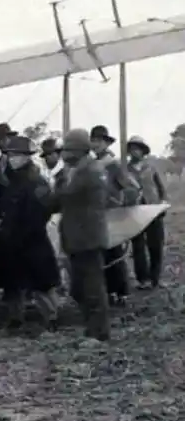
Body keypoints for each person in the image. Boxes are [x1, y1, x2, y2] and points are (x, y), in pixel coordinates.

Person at [0, 135, 60, 335]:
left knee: (41, 283)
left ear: (26, 156)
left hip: (31, 240)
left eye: (16, 155)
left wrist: (26, 232)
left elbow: (44, 210)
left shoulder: (36, 181)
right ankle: (15, 320)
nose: (12, 159)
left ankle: (51, 319)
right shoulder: (11, 180)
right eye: (10, 155)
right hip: (11, 240)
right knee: (12, 285)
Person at [54, 129, 110, 341]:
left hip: (88, 238)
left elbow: (66, 196)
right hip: (77, 238)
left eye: (68, 150)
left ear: (79, 150)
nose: (63, 154)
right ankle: (91, 328)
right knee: (79, 289)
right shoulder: (77, 170)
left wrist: (59, 182)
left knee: (92, 289)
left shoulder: (91, 171)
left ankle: (99, 333)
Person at [90, 125, 140, 306]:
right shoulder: (92, 165)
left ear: (106, 143)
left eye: (99, 141)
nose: (96, 144)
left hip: (114, 215)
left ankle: (122, 292)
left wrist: (122, 202)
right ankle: (109, 291)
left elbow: (133, 188)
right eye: (93, 141)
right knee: (102, 254)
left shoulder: (114, 165)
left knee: (115, 254)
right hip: (98, 216)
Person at [126, 135, 167, 290]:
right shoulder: (126, 169)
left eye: (138, 149)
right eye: (132, 149)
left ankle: (155, 278)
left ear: (143, 151)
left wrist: (163, 203)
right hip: (135, 212)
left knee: (156, 245)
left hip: (153, 210)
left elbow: (161, 187)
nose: (134, 151)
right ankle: (142, 279)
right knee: (138, 247)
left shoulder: (151, 167)